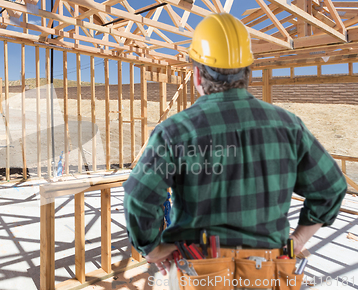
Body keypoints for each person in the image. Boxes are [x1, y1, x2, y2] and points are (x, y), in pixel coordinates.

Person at [123, 13, 347, 289]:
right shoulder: (288, 126)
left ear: (197, 74)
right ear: (247, 73)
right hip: (268, 272)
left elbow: (139, 197)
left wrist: (152, 248)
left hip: (199, 273)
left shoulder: (175, 131)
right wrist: (298, 240)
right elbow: (332, 189)